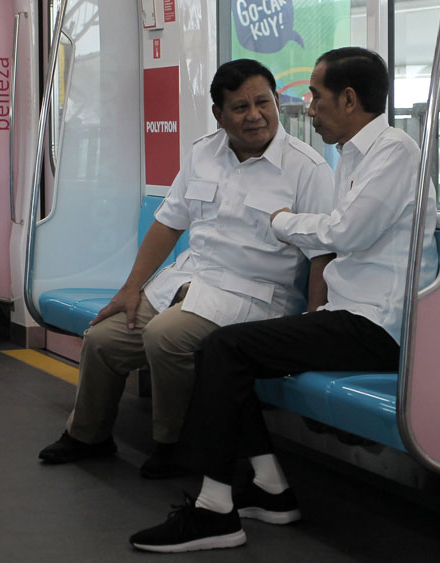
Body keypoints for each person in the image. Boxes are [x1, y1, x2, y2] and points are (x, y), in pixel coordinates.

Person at [129, 47, 439, 552]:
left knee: (224, 349)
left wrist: (281, 222)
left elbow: (346, 232)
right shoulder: (355, 156)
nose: (309, 108)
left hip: (380, 326)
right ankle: (271, 489)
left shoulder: (395, 152)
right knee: (226, 352)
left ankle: (215, 511)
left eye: (316, 96)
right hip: (346, 315)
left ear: (349, 99)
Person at [38, 59, 335, 478]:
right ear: (219, 115)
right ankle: (88, 435)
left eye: (263, 103)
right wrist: (130, 288)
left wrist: (314, 324)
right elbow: (167, 223)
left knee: (166, 337)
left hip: (253, 296)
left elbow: (323, 254)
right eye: (240, 107)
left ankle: (178, 445)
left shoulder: (307, 169)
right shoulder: (203, 153)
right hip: (188, 280)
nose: (255, 115)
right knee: (102, 340)